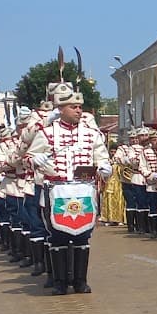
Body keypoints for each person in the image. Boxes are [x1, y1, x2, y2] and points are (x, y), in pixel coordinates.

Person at [25, 83, 112, 294]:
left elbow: (102, 157)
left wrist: (105, 168)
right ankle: (60, 282)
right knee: (58, 237)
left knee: (83, 236)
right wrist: (39, 161)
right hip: (56, 191)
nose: (79, 110)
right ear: (61, 109)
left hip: (83, 192)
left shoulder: (92, 134)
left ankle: (80, 281)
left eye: (80, 107)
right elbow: (28, 158)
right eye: (73, 107)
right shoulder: (46, 133)